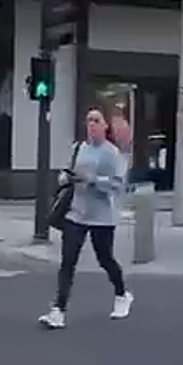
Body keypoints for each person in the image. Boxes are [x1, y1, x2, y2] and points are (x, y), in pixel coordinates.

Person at [39, 107, 133, 329]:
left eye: (96, 120)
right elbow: (69, 171)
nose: (91, 124)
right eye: (88, 120)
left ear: (105, 126)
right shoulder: (79, 148)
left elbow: (118, 185)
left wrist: (93, 180)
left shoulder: (111, 154)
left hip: (101, 216)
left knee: (105, 259)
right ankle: (58, 310)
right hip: (76, 212)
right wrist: (66, 177)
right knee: (68, 262)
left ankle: (122, 294)